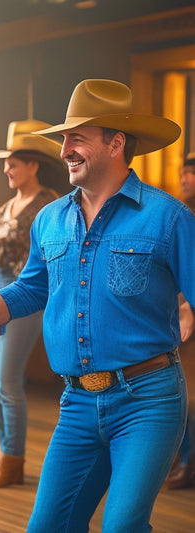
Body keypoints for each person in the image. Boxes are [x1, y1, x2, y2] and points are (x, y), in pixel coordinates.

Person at [0, 78, 191, 532]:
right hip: (77, 403)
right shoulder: (50, 219)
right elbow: (30, 289)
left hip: (147, 400)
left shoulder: (169, 217)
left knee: (122, 526)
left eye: (75, 138)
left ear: (116, 143)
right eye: (63, 140)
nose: (63, 151)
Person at [0, 120, 65, 487]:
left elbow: (52, 265)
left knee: (6, 382)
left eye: (13, 162)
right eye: (5, 162)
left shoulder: (50, 205)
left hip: (27, 295)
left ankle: (13, 459)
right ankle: (4, 448)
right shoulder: (5, 208)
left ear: (34, 165)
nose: (5, 168)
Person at [165, 151, 195, 490]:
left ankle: (188, 462)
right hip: (179, 313)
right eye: (182, 172)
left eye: (191, 173)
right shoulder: (181, 215)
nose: (184, 178)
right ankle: (181, 458)